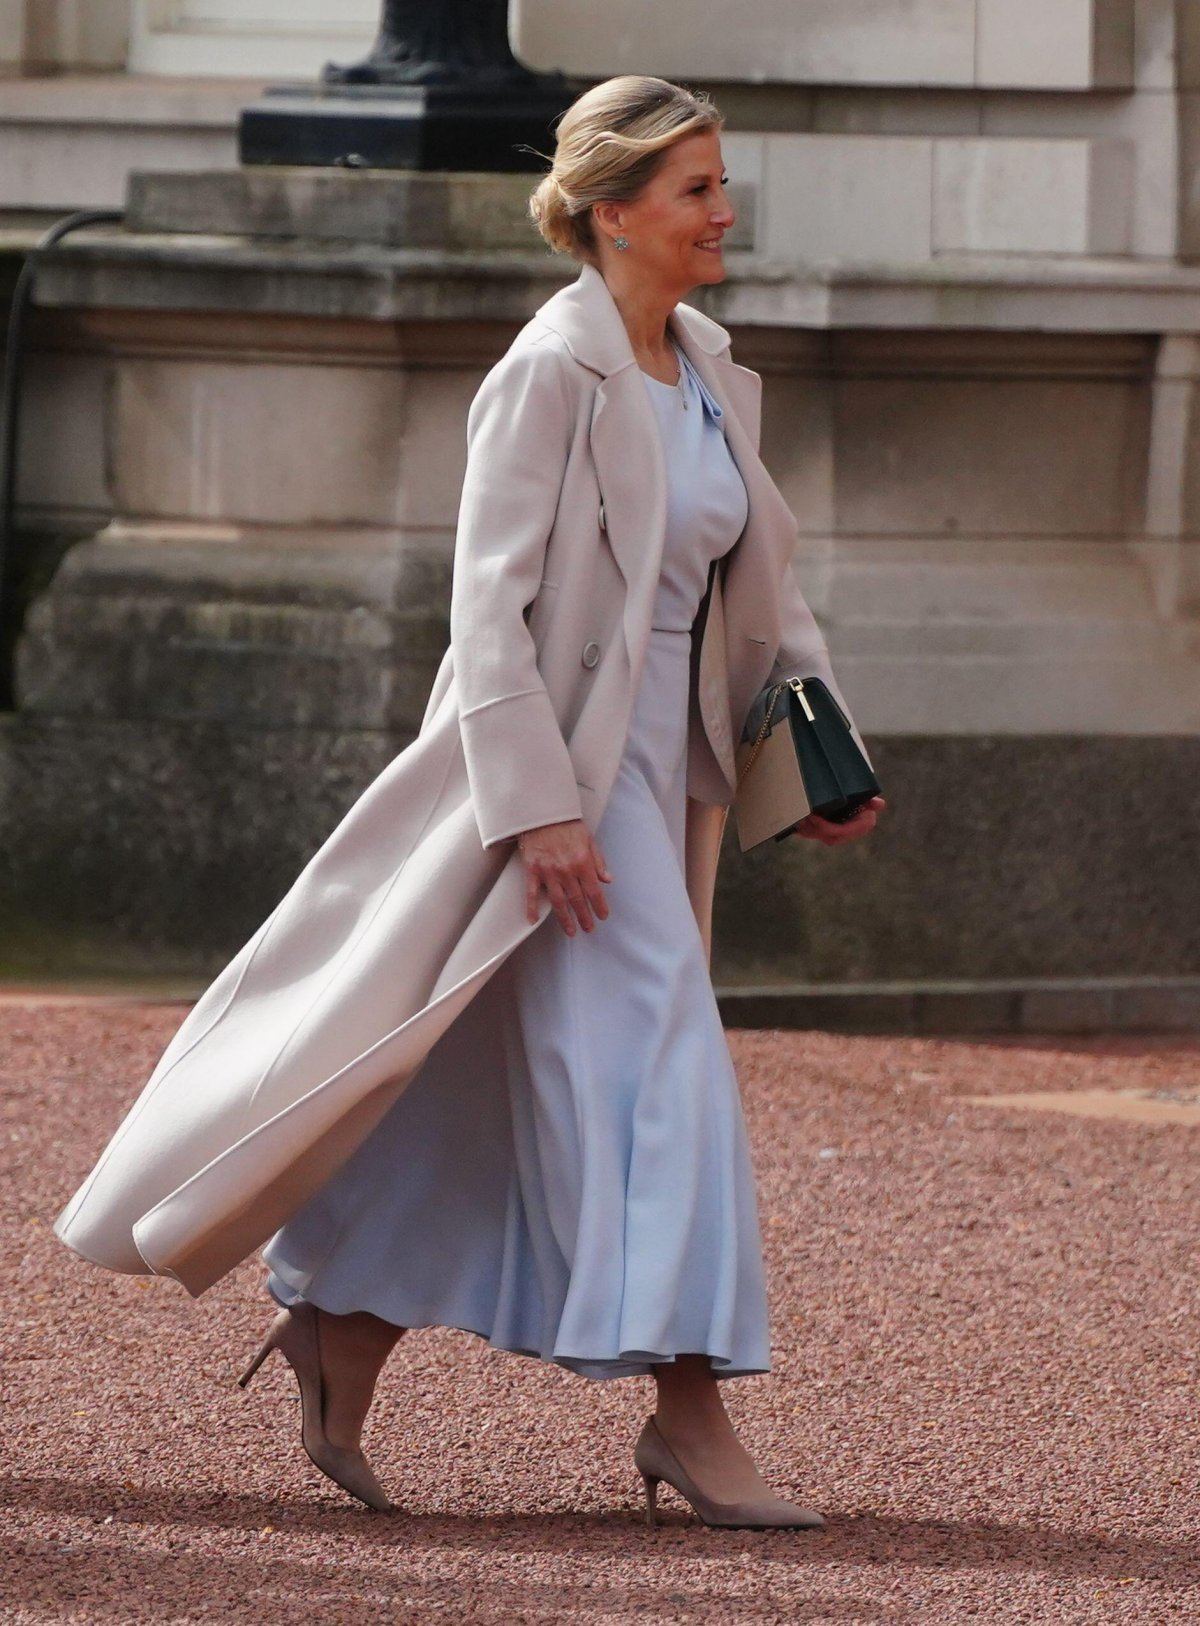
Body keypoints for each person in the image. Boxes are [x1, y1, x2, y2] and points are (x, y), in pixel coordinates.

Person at [55, 72, 884, 1530]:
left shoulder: (706, 367)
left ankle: (338, 1328)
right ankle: (692, 1415)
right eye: (694, 188)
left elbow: (764, 597)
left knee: (463, 1078)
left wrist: (818, 756)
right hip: (560, 785)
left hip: (661, 780)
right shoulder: (547, 370)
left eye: (719, 183)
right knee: (668, 1068)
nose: (723, 212)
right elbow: (482, 609)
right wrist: (539, 806)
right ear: (611, 212)